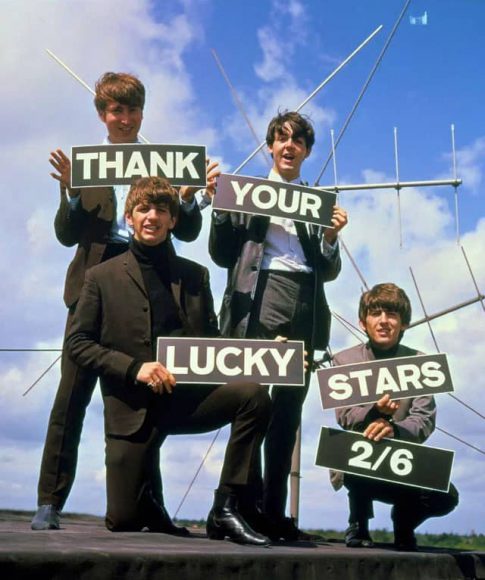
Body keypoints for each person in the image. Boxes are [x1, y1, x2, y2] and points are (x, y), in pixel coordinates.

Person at [32, 72, 216, 530]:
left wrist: (191, 200)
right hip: (95, 285)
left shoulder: (163, 169)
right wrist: (71, 192)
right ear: (102, 115)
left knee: (147, 396)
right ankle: (49, 502)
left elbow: (188, 230)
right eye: (116, 110)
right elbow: (65, 234)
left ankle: (148, 503)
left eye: (133, 109)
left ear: (141, 114)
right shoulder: (84, 166)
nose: (125, 118)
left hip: (149, 278)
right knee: (71, 397)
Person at [65, 176, 271, 546]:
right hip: (132, 408)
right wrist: (134, 368)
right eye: (144, 209)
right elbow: (78, 343)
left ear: (173, 220)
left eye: (162, 210)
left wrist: (269, 354)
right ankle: (148, 496)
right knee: (125, 520)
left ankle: (226, 507)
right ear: (129, 216)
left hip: (186, 401)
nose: (152, 217)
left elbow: (214, 345)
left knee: (254, 395)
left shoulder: (195, 275)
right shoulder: (99, 277)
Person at [209, 111, 348, 540]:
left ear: (306, 151)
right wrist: (219, 207)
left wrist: (329, 238)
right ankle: (238, 506)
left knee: (288, 412)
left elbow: (327, 270)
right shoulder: (246, 192)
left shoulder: (313, 201)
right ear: (271, 145)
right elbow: (221, 253)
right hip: (259, 298)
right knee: (253, 402)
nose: (289, 146)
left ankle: (274, 511)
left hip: (305, 302)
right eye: (281, 139)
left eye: (298, 141)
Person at [331, 283, 459, 551]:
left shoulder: (421, 362)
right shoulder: (343, 360)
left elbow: (424, 418)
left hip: (403, 460)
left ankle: (404, 520)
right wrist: (375, 415)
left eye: (391, 315)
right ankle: (358, 522)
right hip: (359, 459)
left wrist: (394, 430)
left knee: (448, 495)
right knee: (350, 447)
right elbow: (345, 415)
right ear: (363, 322)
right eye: (376, 313)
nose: (384, 321)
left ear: (404, 324)